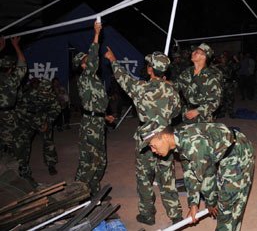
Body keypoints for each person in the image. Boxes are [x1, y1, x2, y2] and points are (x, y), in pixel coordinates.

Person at [104, 47, 183, 226]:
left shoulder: (140, 88)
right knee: (167, 178)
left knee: (144, 178)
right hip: (165, 138)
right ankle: (175, 214)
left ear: (150, 69)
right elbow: (177, 112)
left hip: (146, 141)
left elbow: (121, 77)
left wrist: (112, 58)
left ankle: (148, 215)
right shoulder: (172, 90)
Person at [144, 122, 255, 231]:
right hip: (224, 152)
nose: (153, 151)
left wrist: (211, 203)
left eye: (153, 146)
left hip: (239, 152)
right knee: (224, 203)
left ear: (165, 137)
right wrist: (193, 204)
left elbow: (208, 178)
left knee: (228, 209)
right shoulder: (178, 139)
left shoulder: (194, 145)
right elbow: (189, 172)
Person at [73, 20, 114, 196]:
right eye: (85, 59)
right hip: (89, 126)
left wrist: (105, 116)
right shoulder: (85, 77)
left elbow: (93, 106)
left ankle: (94, 194)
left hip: (98, 123)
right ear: (82, 65)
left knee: (101, 161)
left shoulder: (94, 80)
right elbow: (93, 59)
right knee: (88, 162)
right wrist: (96, 34)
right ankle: (76, 195)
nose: (89, 59)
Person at [14, 78, 61, 183]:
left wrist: (47, 122)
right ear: (39, 89)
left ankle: (51, 165)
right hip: (28, 121)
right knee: (24, 144)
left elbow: (56, 110)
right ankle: (23, 169)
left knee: (48, 143)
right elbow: (20, 111)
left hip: (43, 121)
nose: (45, 93)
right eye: (43, 91)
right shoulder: (29, 95)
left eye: (47, 91)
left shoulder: (51, 96)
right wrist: (30, 122)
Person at [172, 43, 222, 124]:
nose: (192, 53)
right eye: (193, 51)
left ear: (204, 56)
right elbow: (177, 85)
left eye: (196, 52)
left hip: (202, 117)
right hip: (187, 113)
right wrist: (165, 83)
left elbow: (215, 101)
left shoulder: (210, 77)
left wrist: (197, 111)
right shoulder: (187, 72)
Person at [0, 36, 27, 155]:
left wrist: (1, 47)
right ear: (11, 69)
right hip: (9, 115)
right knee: (17, 141)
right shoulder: (13, 80)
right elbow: (22, 64)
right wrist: (16, 45)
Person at [213, 52, 239, 119]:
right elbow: (208, 68)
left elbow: (238, 66)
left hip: (229, 85)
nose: (223, 59)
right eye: (221, 58)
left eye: (224, 58)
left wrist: (236, 59)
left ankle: (231, 113)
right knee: (221, 100)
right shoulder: (218, 67)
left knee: (230, 99)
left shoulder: (230, 65)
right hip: (221, 86)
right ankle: (222, 113)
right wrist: (216, 64)